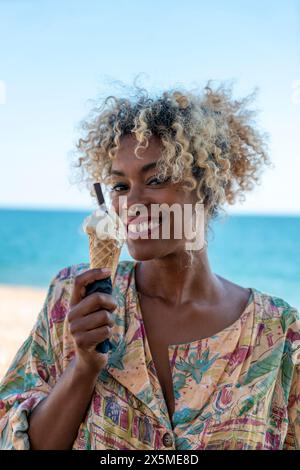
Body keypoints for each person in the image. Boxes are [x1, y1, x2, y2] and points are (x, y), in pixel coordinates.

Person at [0, 82, 299, 450]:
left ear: (206, 187)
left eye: (156, 179)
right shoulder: (73, 300)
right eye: (120, 186)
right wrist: (82, 369)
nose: (133, 203)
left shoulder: (279, 332)